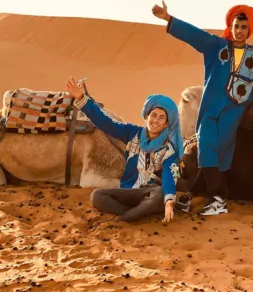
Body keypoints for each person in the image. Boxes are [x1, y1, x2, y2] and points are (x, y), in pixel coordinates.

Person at [152, 0, 253, 216]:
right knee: (205, 144)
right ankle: (218, 197)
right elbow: (194, 34)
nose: (239, 31)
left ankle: (205, 197)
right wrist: (168, 18)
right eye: (236, 26)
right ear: (231, 27)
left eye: (244, 27)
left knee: (222, 150)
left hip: (234, 110)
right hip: (211, 106)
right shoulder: (216, 45)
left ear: (249, 29)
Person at [64, 77, 184, 224]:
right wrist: (82, 98)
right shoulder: (133, 133)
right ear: (146, 116)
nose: (155, 121)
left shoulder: (169, 149)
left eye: (161, 118)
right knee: (97, 196)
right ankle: (138, 213)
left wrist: (169, 202)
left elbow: (169, 176)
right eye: (153, 115)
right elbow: (106, 123)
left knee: (160, 193)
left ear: (166, 124)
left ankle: (124, 218)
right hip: (129, 192)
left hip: (149, 193)